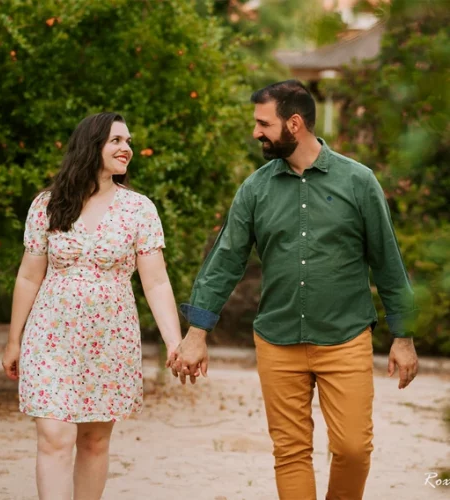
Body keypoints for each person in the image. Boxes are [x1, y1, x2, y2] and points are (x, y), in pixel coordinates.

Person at [171, 80, 419, 500]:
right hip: (277, 340)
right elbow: (225, 261)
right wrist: (196, 333)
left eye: (263, 123)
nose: (256, 133)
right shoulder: (256, 188)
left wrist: (404, 335)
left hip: (345, 337)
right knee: (290, 452)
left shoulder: (359, 182)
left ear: (295, 123)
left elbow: (388, 261)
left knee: (354, 449)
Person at [2, 112, 183, 500]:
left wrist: (174, 342)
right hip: (50, 335)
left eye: (129, 141)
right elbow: (29, 276)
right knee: (55, 434)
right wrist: (13, 340)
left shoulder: (139, 209)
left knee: (95, 441)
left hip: (110, 340)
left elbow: (155, 281)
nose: (127, 148)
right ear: (91, 145)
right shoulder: (47, 205)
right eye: (116, 140)